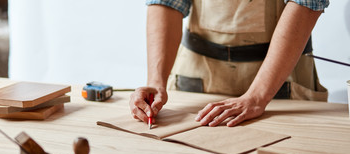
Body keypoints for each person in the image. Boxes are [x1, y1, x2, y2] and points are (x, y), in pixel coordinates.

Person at [129, 0, 330, 127]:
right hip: (198, 73)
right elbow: (167, 2)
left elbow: (307, 2)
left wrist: (258, 96)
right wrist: (156, 82)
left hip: (282, 79)